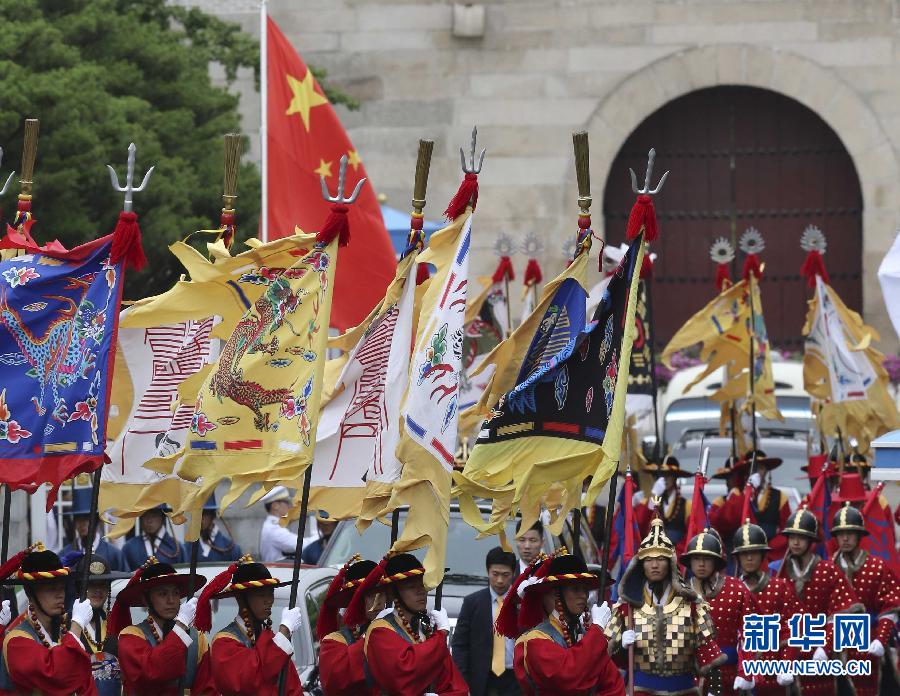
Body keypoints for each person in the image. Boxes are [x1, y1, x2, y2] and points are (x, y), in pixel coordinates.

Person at [605, 517, 725, 696]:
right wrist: (621, 646)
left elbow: (710, 654)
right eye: (649, 560)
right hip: (641, 690)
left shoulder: (692, 605)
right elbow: (604, 656)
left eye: (661, 558)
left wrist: (714, 692)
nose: (654, 565)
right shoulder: (626, 606)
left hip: (684, 690)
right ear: (641, 564)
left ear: (670, 564)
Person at [501, 551, 624, 696]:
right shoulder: (535, 640)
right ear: (555, 593)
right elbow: (568, 676)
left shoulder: (586, 635)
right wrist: (597, 627)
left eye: (585, 589)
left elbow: (613, 684)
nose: (583, 595)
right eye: (575, 589)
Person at [352, 552, 468, 695]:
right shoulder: (380, 631)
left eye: (422, 585)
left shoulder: (427, 631)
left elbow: (456, 685)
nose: (421, 592)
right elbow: (403, 675)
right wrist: (442, 633)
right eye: (411, 587)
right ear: (394, 593)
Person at [777, 505, 862, 696]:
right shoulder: (780, 573)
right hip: (790, 654)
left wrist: (826, 646)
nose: (795, 542)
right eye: (792, 537)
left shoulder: (828, 570)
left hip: (824, 654)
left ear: (811, 541)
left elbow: (847, 612)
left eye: (801, 538)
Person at [195, 555, 305, 695]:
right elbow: (249, 682)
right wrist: (284, 631)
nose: (268, 601)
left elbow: (292, 689)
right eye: (261, 595)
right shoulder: (224, 642)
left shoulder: (272, 641)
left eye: (270, 593)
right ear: (241, 598)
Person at [0, 543, 97, 694]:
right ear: (29, 592)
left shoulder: (64, 634)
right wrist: (77, 625)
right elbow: (56, 675)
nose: (60, 595)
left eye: (61, 588)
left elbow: (86, 686)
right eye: (51, 589)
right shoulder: (16, 640)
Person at [109, 557, 212, 695]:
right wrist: (181, 625)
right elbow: (152, 672)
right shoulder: (131, 636)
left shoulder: (198, 639)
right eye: (163, 594)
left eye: (175, 593)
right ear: (146, 599)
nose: (171, 600)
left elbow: (208, 690)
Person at [831, 503, 900, 696]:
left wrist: (881, 638)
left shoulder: (877, 567)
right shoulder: (827, 569)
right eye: (841, 533)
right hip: (836, 645)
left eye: (850, 533)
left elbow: (892, 605)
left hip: (872, 641)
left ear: (860, 535)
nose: (845, 538)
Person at [682, 529, 755, 695]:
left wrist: (746, 672)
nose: (701, 564)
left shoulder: (737, 589)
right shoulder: (677, 593)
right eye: (696, 558)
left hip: (729, 676)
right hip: (686, 678)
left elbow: (750, 634)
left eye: (707, 559)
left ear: (716, 562)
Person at [732, 520, 800, 695]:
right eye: (744, 553)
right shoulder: (730, 589)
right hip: (735, 674)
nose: (749, 558)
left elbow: (793, 629)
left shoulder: (780, 587)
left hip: (772, 672)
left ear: (763, 555)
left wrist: (786, 665)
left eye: (754, 553)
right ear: (737, 557)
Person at [451, 546, 521, 696]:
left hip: (515, 679)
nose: (500, 580)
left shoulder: (521, 604)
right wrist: (462, 681)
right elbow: (460, 645)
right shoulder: (472, 603)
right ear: (488, 571)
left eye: (505, 575)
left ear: (513, 573)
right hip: (483, 679)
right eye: (495, 574)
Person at [318, 555, 382, 696]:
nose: (379, 601)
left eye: (382, 593)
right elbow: (334, 683)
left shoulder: (398, 629)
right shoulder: (334, 641)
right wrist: (374, 634)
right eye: (371, 595)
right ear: (354, 599)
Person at [709, 450, 790, 561]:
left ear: (766, 471)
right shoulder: (735, 497)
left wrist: (767, 550)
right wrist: (747, 492)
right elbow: (724, 522)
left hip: (770, 555)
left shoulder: (780, 497)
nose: (756, 473)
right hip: (739, 555)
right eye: (752, 470)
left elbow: (787, 531)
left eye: (760, 468)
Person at [75, 553, 131, 696]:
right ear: (79, 587)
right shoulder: (65, 625)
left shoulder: (117, 623)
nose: (98, 590)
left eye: (103, 584)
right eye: (91, 585)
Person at [633, 455, 692, 552]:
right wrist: (654, 495)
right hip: (653, 554)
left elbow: (690, 533)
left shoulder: (687, 505)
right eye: (662, 476)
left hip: (676, 554)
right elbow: (641, 526)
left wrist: (677, 553)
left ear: (675, 478)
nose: (665, 479)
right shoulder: (649, 502)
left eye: (668, 475)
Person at [61, 487, 126, 572]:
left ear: (97, 522)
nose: (83, 524)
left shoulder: (114, 554)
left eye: (87, 519)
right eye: (78, 519)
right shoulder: (65, 555)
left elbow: (123, 582)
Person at [184, 493, 242, 564]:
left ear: (213, 515)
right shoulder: (186, 548)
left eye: (204, 513)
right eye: (196, 514)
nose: (200, 518)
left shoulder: (232, 550)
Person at [121, 506, 185, 570]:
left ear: (162, 517)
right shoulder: (129, 547)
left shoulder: (176, 547)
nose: (149, 520)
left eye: (154, 515)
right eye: (145, 515)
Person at [258, 486, 302, 562]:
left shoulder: (273, 525)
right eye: (287, 502)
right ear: (275, 506)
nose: (290, 506)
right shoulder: (273, 528)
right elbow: (300, 545)